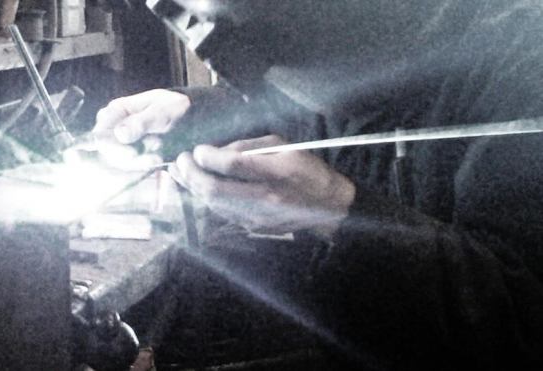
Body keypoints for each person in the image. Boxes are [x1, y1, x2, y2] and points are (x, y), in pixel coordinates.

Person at [93, 1, 543, 369]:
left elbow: (523, 327)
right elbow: (305, 110)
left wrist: (340, 210)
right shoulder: (353, 49)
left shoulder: (524, 58)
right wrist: (189, 117)